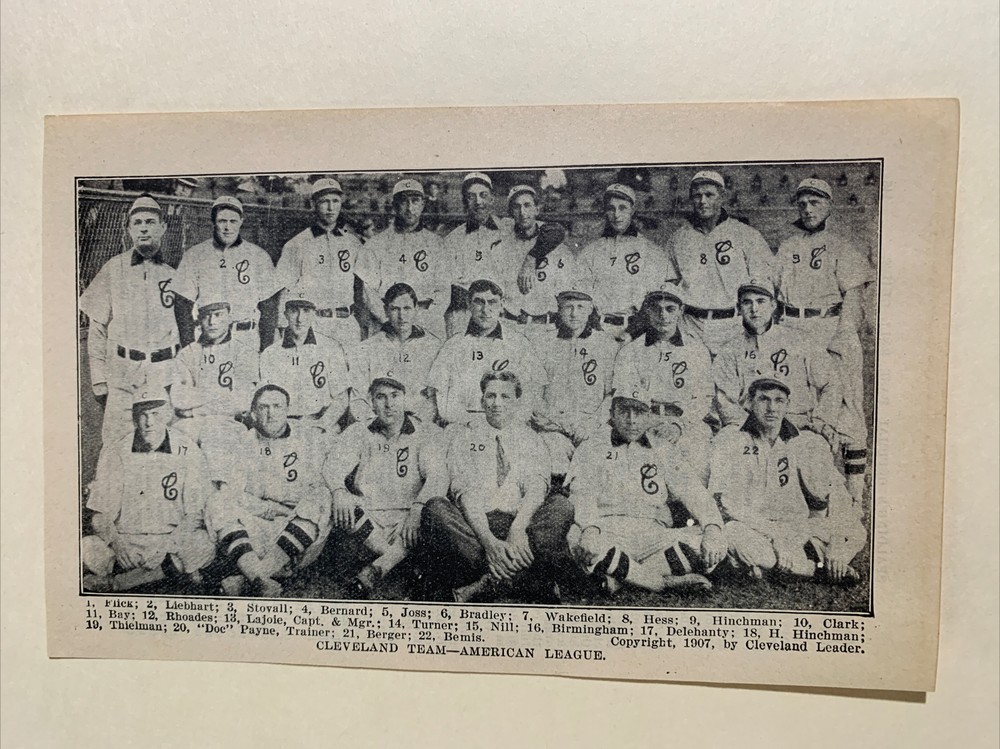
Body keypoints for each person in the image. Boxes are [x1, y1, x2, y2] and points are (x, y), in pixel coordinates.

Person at [420, 371, 574, 603]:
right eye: (490, 396)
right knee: (435, 509)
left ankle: (488, 582)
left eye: (505, 396)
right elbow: (465, 494)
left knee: (562, 506)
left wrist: (517, 530)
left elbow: (536, 489)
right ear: (482, 401)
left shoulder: (531, 438)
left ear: (517, 402)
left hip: (521, 526)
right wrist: (490, 543)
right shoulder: (465, 437)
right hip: (475, 530)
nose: (497, 403)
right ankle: (523, 578)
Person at [774, 178, 876, 498]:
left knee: (846, 406)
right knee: (798, 403)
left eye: (815, 202)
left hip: (829, 326)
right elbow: (774, 296)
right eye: (802, 203)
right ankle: (808, 488)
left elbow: (854, 299)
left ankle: (855, 493)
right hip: (792, 326)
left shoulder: (841, 246)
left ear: (829, 205)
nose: (807, 209)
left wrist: (843, 338)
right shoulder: (788, 246)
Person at [710, 378, 867, 583]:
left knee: (856, 530)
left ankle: (786, 564)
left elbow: (836, 492)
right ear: (749, 402)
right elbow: (726, 504)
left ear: (788, 405)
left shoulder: (806, 441)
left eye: (779, 400)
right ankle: (815, 570)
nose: (771, 408)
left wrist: (836, 544)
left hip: (798, 525)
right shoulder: (730, 439)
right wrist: (776, 536)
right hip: (756, 526)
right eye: (763, 399)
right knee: (733, 533)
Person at [565, 395, 726, 595]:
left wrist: (712, 527)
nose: (632, 420)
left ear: (649, 415)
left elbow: (692, 490)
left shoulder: (663, 448)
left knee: (712, 538)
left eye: (639, 412)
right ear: (611, 414)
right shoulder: (592, 447)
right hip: (608, 529)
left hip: (653, 533)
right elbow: (582, 494)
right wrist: (590, 529)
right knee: (576, 536)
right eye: (624, 411)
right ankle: (660, 582)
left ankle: (626, 578)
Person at [81, 390, 217, 593]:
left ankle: (119, 583)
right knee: (86, 546)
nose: (149, 422)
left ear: (168, 414)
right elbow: (99, 515)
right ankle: (161, 575)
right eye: (143, 415)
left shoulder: (187, 449)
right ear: (134, 418)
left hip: (170, 540)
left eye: (155, 414)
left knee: (204, 544)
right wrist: (118, 544)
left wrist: (167, 546)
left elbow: (195, 515)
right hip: (127, 541)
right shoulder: (115, 451)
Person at [325, 378, 449, 598]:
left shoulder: (425, 432)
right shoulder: (358, 431)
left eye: (395, 396)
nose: (389, 404)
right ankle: (397, 561)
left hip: (407, 520)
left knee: (432, 512)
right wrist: (338, 491)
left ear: (405, 399)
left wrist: (417, 510)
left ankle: (377, 569)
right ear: (372, 402)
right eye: (381, 397)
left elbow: (437, 476)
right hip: (369, 520)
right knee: (336, 500)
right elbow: (332, 467)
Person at [212, 384, 335, 596]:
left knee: (322, 497)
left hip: (295, 528)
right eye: (264, 407)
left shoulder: (308, 438)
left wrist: (285, 511)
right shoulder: (243, 442)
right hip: (255, 527)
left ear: (288, 410)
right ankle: (263, 578)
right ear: (253, 413)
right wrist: (270, 508)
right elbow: (232, 494)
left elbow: (318, 490)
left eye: (277, 406)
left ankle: (253, 576)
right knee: (217, 501)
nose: (271, 413)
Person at [79, 194, 183, 444]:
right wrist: (99, 379)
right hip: (123, 373)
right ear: (129, 230)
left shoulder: (175, 275)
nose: (144, 228)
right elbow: (97, 329)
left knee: (162, 443)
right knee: (117, 444)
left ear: (163, 227)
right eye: (137, 223)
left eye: (150, 222)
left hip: (164, 373)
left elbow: (186, 330)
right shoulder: (113, 269)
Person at [713, 279, 841, 441]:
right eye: (747, 302)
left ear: (773, 305)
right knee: (724, 441)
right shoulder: (729, 350)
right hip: (749, 428)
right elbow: (726, 402)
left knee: (814, 445)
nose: (754, 309)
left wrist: (821, 421)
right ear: (739, 308)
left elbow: (832, 383)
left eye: (761, 301)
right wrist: (753, 428)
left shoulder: (800, 340)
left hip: (798, 425)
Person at [666, 170, 775, 354]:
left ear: (722, 196)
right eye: (697, 196)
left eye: (709, 195)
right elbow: (670, 285)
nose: (702, 201)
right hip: (690, 325)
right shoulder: (678, 239)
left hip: (733, 324)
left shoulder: (746, 235)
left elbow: (764, 284)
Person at [427, 279, 547, 427]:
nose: (485, 310)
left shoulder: (519, 343)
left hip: (509, 425)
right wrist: (468, 422)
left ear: (502, 304)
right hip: (463, 426)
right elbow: (441, 397)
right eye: (479, 302)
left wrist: (513, 421)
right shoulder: (452, 346)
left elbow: (535, 390)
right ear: (468, 303)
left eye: (492, 302)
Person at [611, 285, 714, 458]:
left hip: (686, 422)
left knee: (695, 454)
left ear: (681, 310)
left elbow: (703, 399)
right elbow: (626, 396)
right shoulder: (631, 351)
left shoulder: (697, 350)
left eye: (670, 309)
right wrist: (648, 421)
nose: (663, 315)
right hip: (643, 421)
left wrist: (679, 425)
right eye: (656, 309)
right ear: (647, 311)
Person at [275, 179, 379, 345]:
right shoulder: (297, 244)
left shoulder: (353, 243)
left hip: (346, 323)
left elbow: (367, 287)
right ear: (313, 204)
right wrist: (282, 330)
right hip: (314, 323)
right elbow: (284, 289)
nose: (331, 208)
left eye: (335, 201)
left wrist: (382, 318)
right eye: (324, 202)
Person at [530, 287, 620, 475]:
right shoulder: (542, 343)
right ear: (559, 308)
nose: (574, 313)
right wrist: (556, 423)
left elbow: (612, 394)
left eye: (580, 307)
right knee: (554, 458)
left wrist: (591, 424)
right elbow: (533, 393)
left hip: (591, 427)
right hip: (552, 426)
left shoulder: (607, 345)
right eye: (568, 307)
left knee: (595, 462)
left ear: (590, 309)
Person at [174, 195, 282, 350]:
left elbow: (269, 307)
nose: (227, 227)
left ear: (241, 221)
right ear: (213, 222)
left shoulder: (258, 256)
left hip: (246, 337)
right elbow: (183, 305)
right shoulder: (195, 255)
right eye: (222, 221)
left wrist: (265, 350)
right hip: (209, 338)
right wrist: (189, 349)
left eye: (233, 221)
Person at [170, 299, 261, 479]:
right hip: (190, 425)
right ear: (199, 320)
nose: (212, 322)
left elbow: (242, 402)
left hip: (228, 423)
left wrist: (195, 409)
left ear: (229, 317)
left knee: (216, 450)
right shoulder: (188, 353)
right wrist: (222, 394)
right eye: (206, 316)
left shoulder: (243, 352)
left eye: (218, 315)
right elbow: (179, 398)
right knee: (173, 450)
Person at [577, 183, 678, 340]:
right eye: (611, 208)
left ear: (633, 209)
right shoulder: (590, 251)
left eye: (623, 208)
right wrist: (596, 331)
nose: (616, 214)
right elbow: (581, 296)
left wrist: (632, 332)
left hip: (637, 331)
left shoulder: (652, 252)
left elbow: (658, 299)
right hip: (598, 330)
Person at [364, 179, 449, 339]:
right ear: (394, 205)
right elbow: (368, 291)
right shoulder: (376, 244)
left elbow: (444, 290)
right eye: (404, 201)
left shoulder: (437, 243)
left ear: (423, 204)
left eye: (415, 201)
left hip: (426, 320)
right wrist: (387, 320)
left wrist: (425, 320)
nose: (410, 208)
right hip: (387, 321)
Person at [351, 283, 443, 424]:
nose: (401, 316)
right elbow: (358, 399)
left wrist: (417, 424)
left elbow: (434, 399)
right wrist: (374, 425)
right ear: (385, 311)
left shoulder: (433, 346)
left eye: (407, 308)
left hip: (419, 424)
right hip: (378, 424)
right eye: (395, 309)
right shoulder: (367, 348)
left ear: (416, 309)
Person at [259, 297, 353, 433]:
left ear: (314, 314)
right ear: (285, 314)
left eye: (306, 311)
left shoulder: (331, 347)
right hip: (284, 426)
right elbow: (267, 400)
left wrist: (322, 425)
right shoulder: (270, 353)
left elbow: (341, 399)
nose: (300, 318)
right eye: (294, 311)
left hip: (322, 424)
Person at [499, 184, 579, 337]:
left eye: (527, 205)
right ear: (511, 212)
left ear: (537, 209)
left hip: (546, 328)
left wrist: (531, 258)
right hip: (510, 326)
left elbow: (568, 293)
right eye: (516, 207)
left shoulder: (557, 248)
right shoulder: (502, 245)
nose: (523, 212)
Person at [442, 172, 508, 337]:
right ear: (465, 202)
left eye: (483, 195)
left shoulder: (509, 231)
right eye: (471, 197)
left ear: (492, 199)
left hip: (501, 313)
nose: (478, 202)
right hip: (463, 315)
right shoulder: (452, 239)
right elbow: (446, 284)